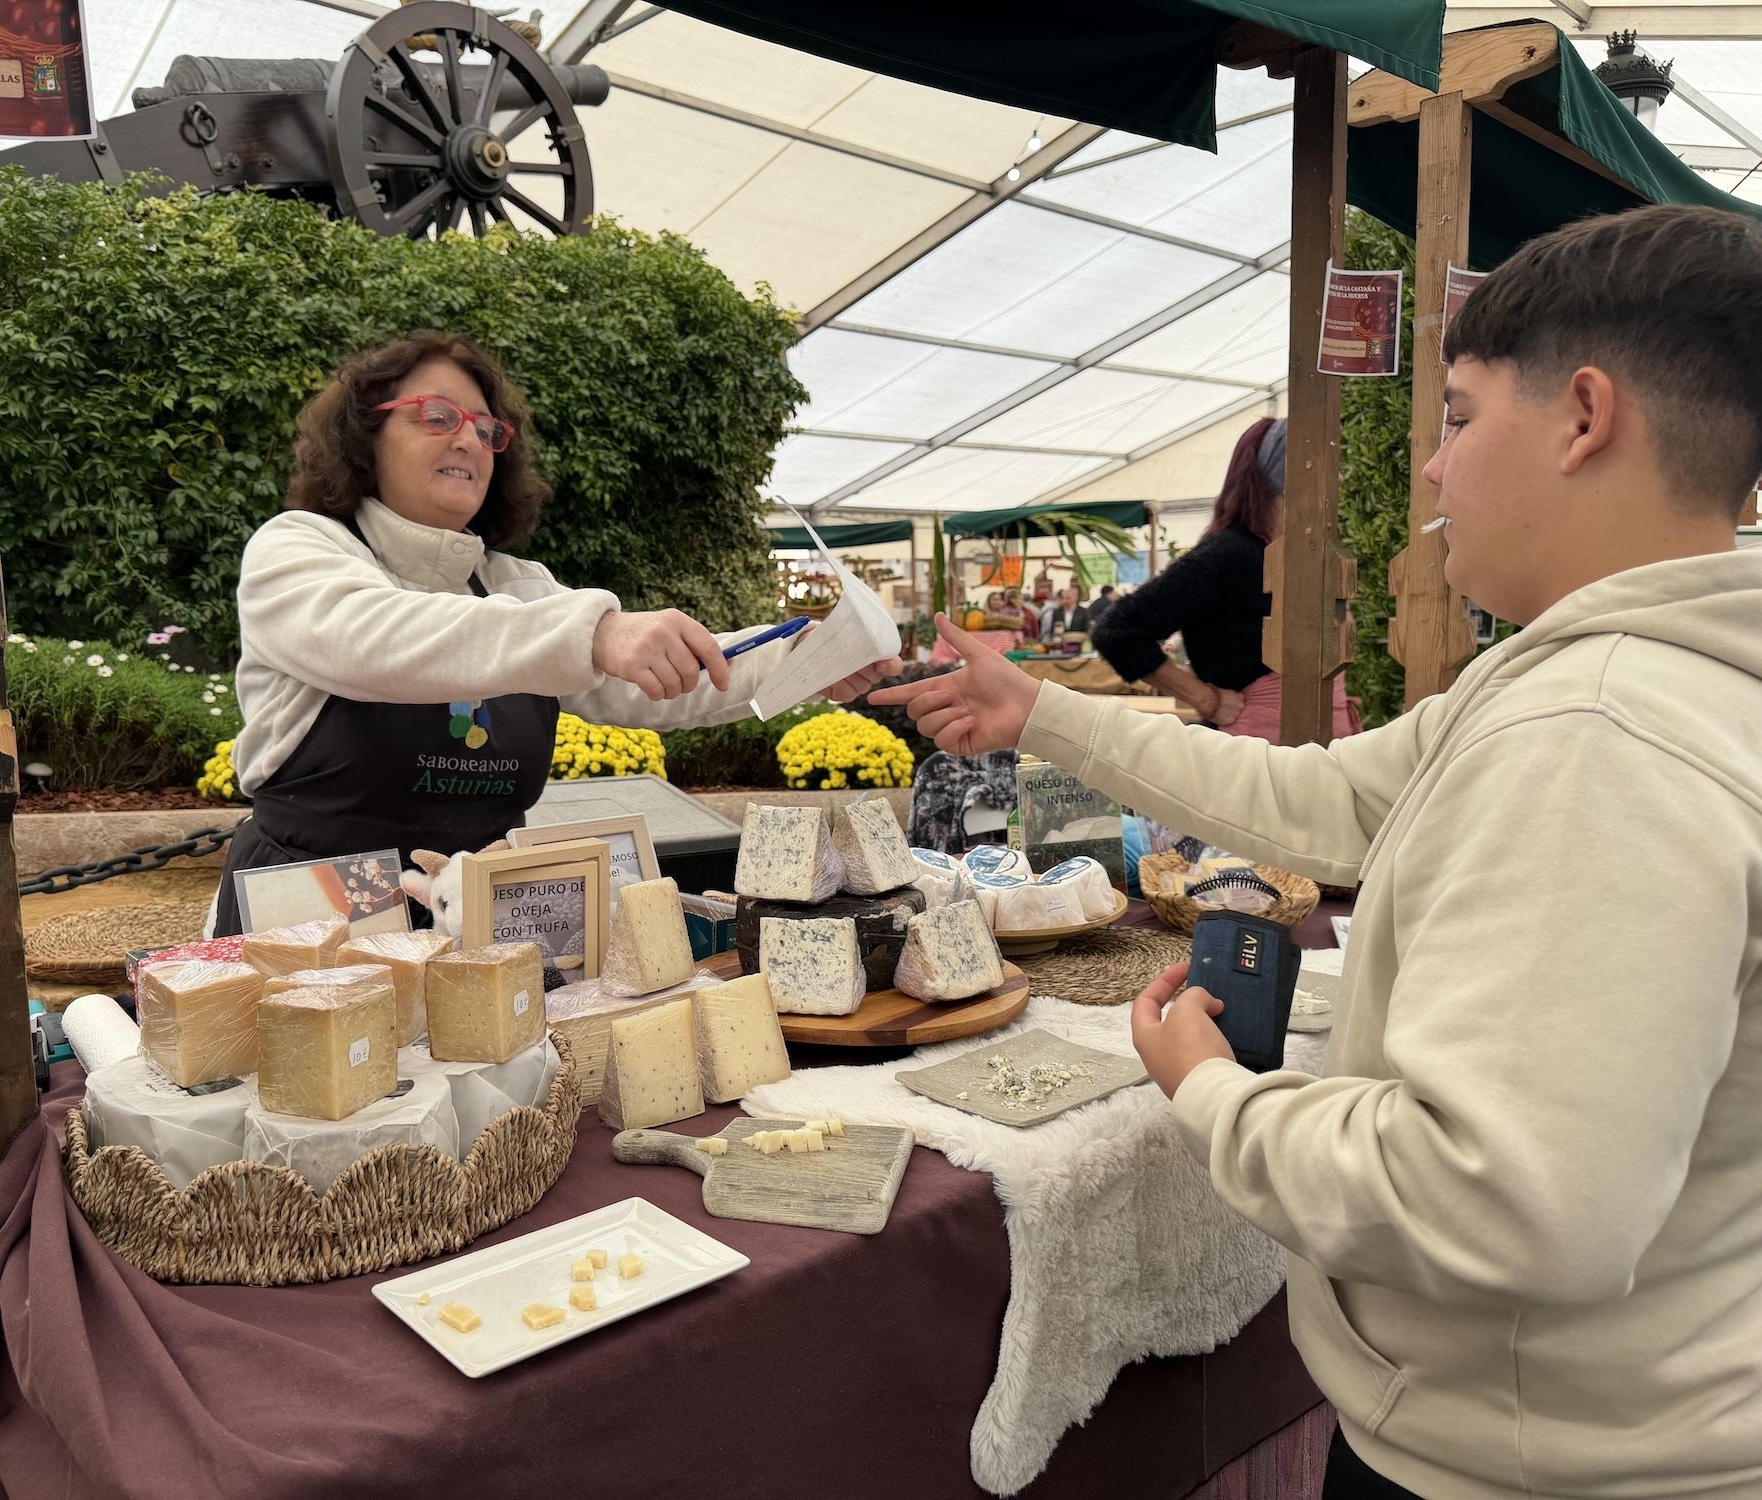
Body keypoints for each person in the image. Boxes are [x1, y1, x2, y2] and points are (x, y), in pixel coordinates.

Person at [874, 204, 1762, 1500]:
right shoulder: (1612, 682)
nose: (1436, 474)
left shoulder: (1597, 732)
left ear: (1584, 417)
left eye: (1458, 418)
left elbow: (1503, 1203)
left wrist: (1215, 1095)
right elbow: (1326, 801)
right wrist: (1047, 713)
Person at [217, 331, 898, 933]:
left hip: (479, 911)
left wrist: (803, 660)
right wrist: (593, 632)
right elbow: (372, 637)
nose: (468, 441)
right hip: (316, 916)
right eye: (438, 417)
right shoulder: (297, 549)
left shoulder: (514, 584)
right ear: (364, 436)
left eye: (487, 431)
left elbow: (654, 682)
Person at [1091, 417, 1357, 740]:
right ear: (1289, 478)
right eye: (1327, 468)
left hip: (1314, 745)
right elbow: (1117, 630)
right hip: (1259, 753)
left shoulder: (1297, 556)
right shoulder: (1229, 554)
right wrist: (1206, 701)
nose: (1340, 479)